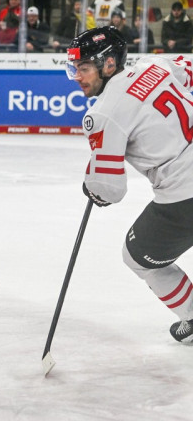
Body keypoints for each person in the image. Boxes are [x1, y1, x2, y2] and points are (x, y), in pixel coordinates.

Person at [67, 26, 193, 344]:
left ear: (109, 64)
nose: (76, 77)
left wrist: (92, 186)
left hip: (185, 196)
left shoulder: (103, 114)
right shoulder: (155, 65)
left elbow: (110, 190)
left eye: (82, 68)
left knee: (137, 256)